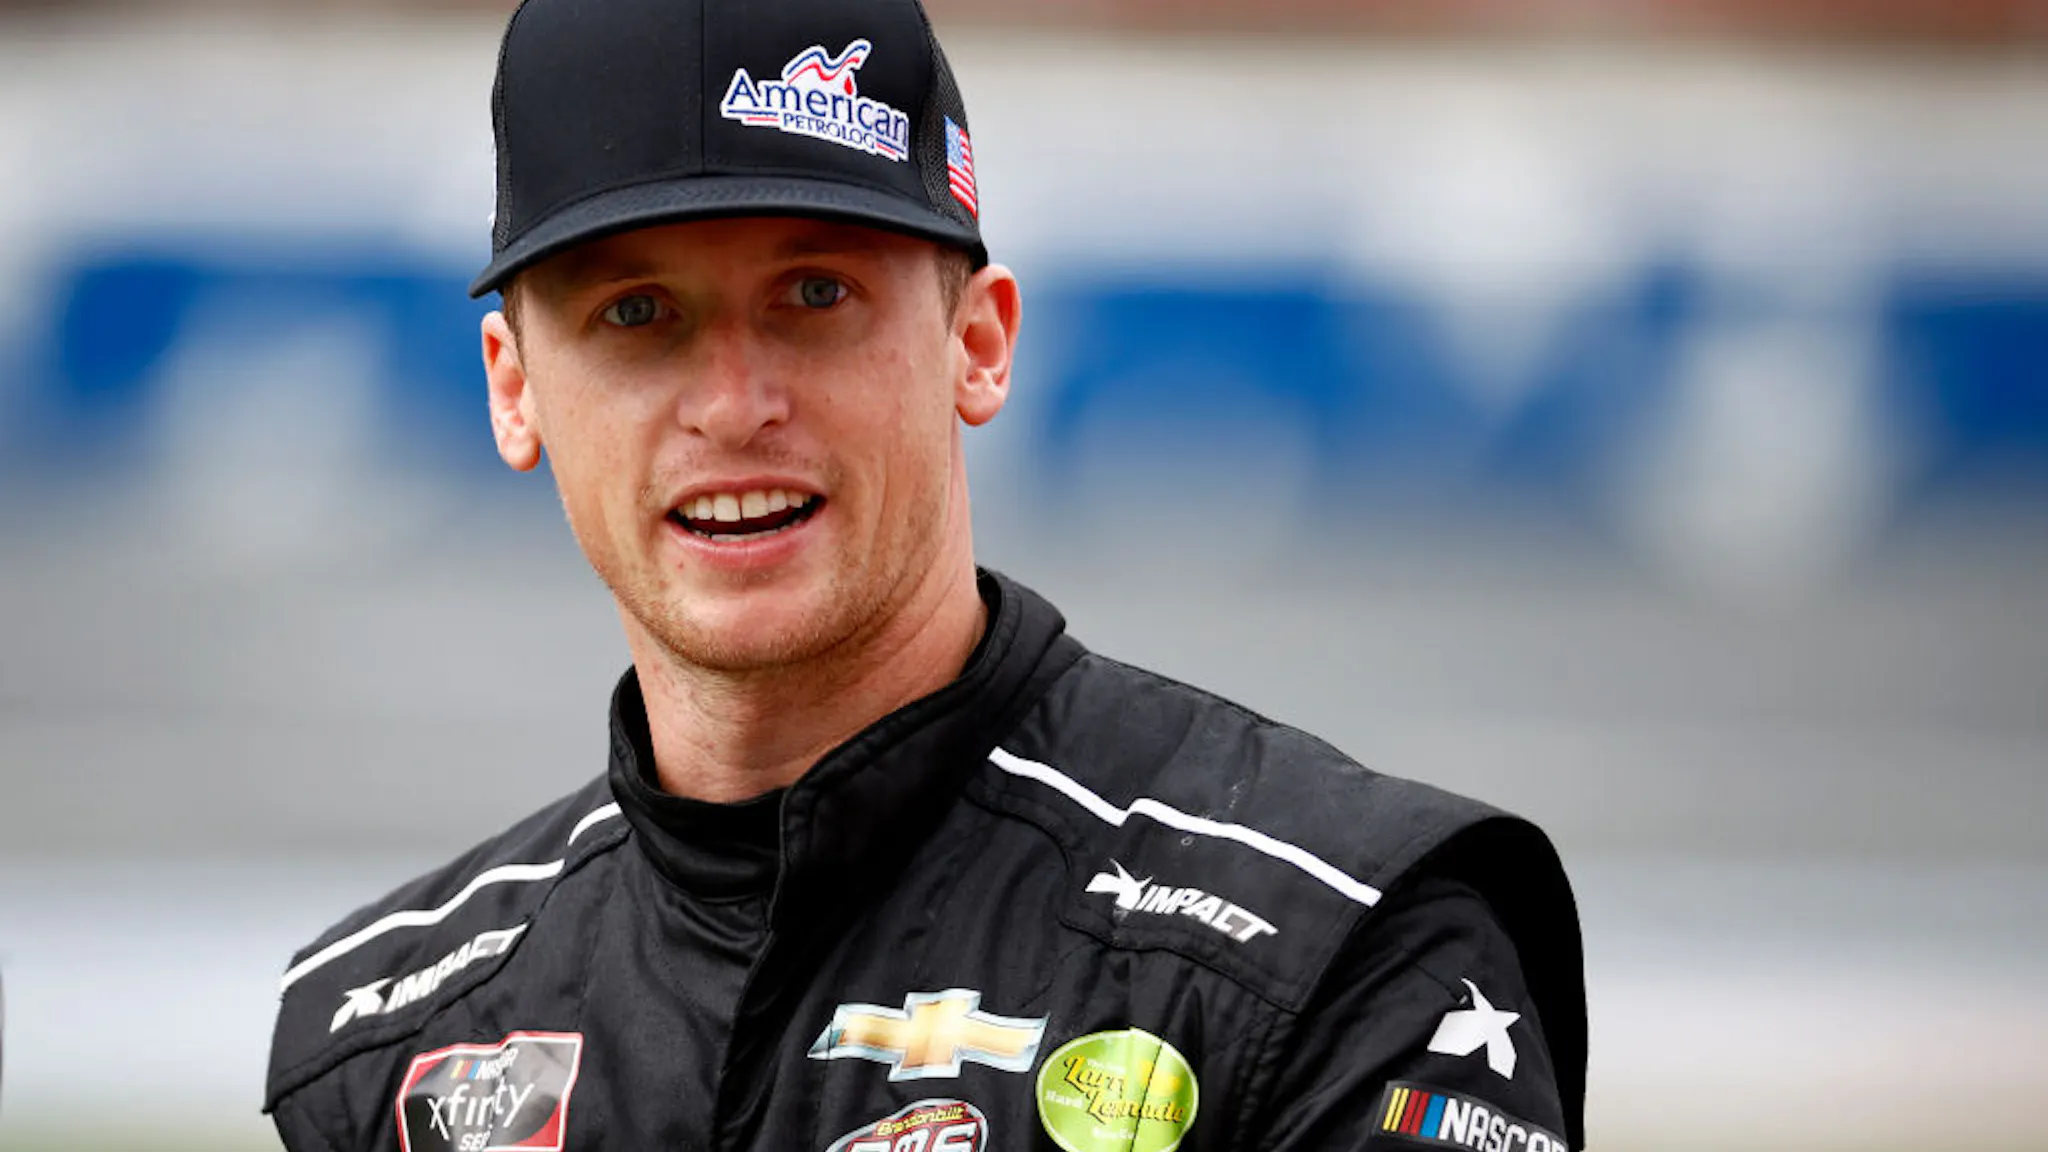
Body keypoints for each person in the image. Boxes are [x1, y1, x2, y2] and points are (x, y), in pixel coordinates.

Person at [265, 0, 1587, 1147]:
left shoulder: (1333, 952)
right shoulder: (389, 1043)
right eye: (637, 314)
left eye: (816, 295)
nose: (731, 404)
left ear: (980, 341)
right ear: (515, 389)